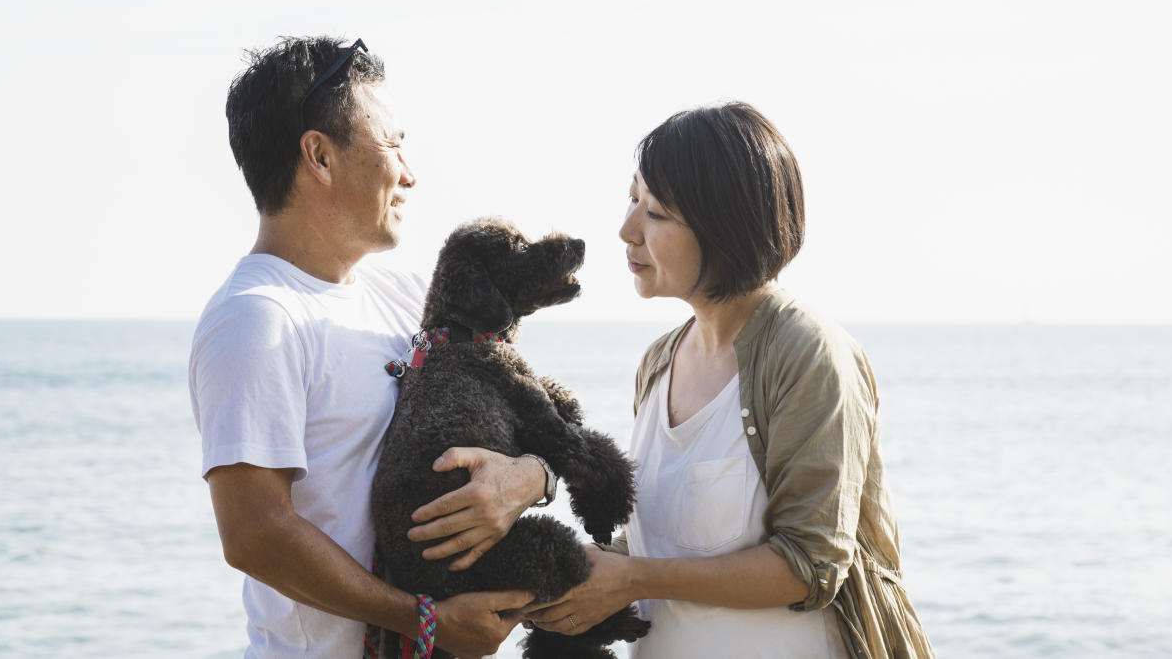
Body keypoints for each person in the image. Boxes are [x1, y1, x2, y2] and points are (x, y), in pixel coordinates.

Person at [527, 103, 934, 657]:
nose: (627, 230)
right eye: (632, 199)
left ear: (724, 228)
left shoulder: (807, 353)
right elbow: (660, 544)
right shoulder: (659, 361)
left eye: (657, 214)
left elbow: (809, 567)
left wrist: (635, 577)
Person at [188, 35, 549, 658]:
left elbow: (533, 422)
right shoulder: (256, 319)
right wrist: (426, 620)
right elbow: (254, 534)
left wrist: (530, 479)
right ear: (319, 157)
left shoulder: (415, 298)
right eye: (394, 145)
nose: (410, 173)